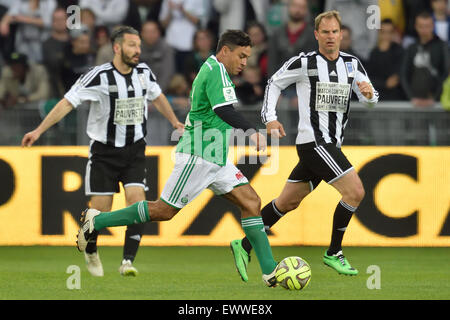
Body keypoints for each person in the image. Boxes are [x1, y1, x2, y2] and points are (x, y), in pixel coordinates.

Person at [76, 30, 281, 287]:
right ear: (225, 51)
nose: (244, 62)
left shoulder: (216, 70)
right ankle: (96, 221)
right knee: (163, 210)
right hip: (198, 154)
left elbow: (219, 111)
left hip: (216, 157)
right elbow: (223, 110)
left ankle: (270, 272)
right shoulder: (216, 70)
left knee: (251, 202)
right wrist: (252, 133)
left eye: (247, 57)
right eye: (241, 56)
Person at [21, 26, 184, 277]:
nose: (137, 50)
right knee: (99, 212)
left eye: (139, 45)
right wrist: (39, 130)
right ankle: (91, 250)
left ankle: (127, 261)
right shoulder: (97, 76)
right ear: (117, 48)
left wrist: (174, 121)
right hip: (104, 153)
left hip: (135, 149)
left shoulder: (144, 73)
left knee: (138, 202)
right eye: (131, 45)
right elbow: (67, 103)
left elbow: (158, 96)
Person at [231, 10, 379, 281]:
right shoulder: (305, 63)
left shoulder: (351, 64)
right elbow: (274, 82)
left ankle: (244, 244)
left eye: (335, 31)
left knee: (286, 202)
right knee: (355, 192)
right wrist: (270, 118)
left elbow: (368, 97)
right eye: (325, 32)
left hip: (330, 144)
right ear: (316, 35)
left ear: (341, 34)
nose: (331, 36)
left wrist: (370, 94)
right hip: (314, 142)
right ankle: (334, 252)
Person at [400, 11, 449, 107]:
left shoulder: (442, 46)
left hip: (437, 104)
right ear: (416, 27)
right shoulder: (412, 48)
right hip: (413, 103)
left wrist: (435, 98)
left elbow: (446, 73)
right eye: (421, 26)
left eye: (427, 26)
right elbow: (404, 74)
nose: (424, 30)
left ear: (433, 26)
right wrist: (411, 98)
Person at [367, 19, 406, 100]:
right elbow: (369, 78)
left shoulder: (400, 51)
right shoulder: (374, 53)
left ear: (394, 34)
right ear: (379, 33)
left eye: (389, 32)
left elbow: (400, 75)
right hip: (377, 98)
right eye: (383, 32)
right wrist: (384, 84)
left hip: (396, 98)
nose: (386, 36)